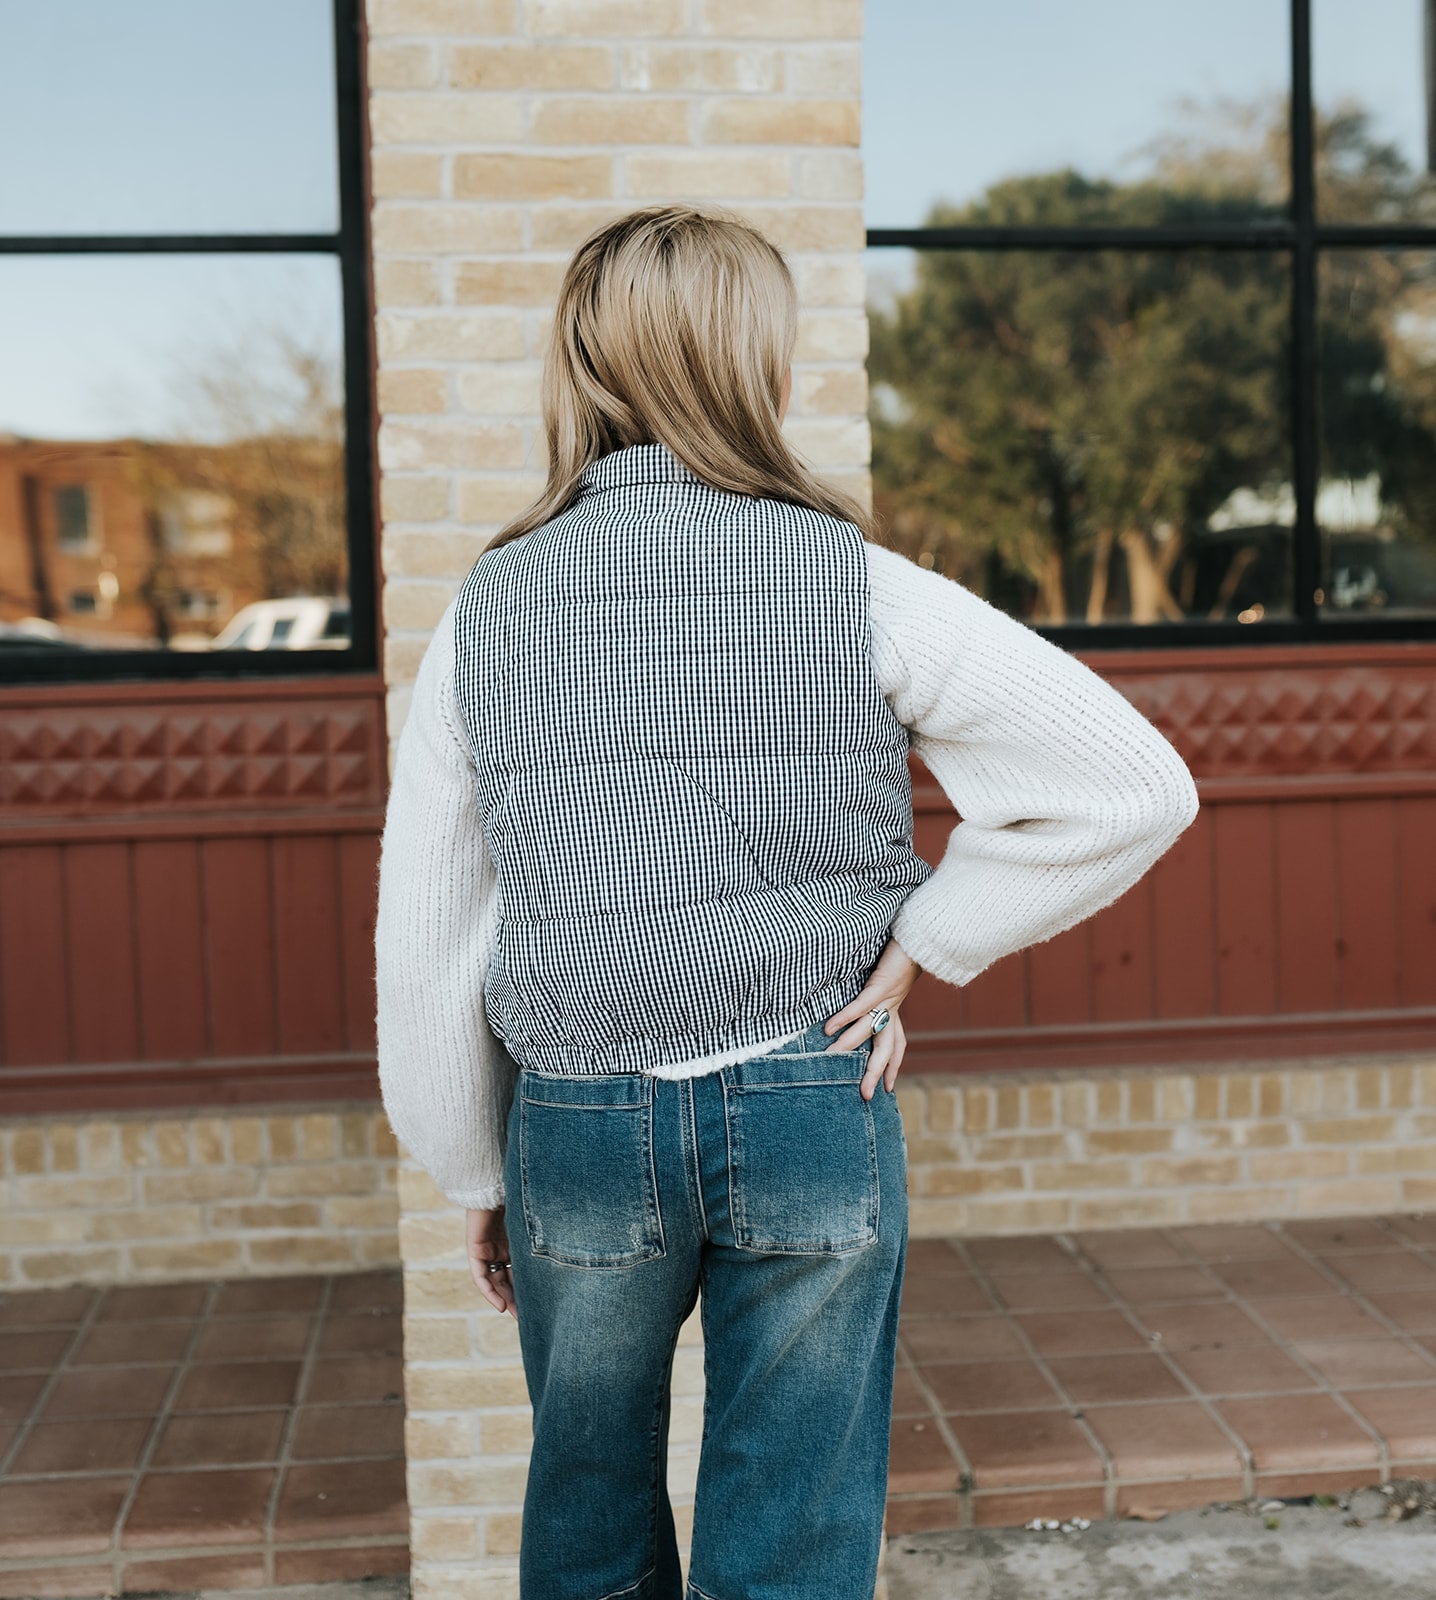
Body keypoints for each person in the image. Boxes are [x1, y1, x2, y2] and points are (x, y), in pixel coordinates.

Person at [375, 203, 1200, 1600]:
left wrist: (472, 1167)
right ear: (759, 367)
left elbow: (429, 927)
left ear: (581, 370)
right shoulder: (858, 585)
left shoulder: (490, 610)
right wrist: (928, 941)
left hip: (579, 1119)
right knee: (797, 1534)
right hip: (811, 1095)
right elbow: (1133, 786)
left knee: (585, 1508)